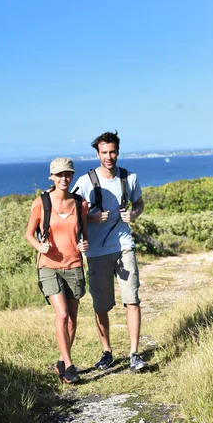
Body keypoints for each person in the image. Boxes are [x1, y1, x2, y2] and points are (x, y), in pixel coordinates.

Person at [73, 131, 149, 372]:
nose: (109, 157)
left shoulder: (130, 178)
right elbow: (70, 211)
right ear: (97, 154)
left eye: (113, 152)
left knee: (132, 300)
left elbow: (139, 204)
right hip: (96, 252)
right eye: (104, 152)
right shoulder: (85, 182)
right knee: (100, 306)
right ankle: (107, 351)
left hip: (124, 246)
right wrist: (91, 217)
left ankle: (134, 354)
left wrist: (134, 214)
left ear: (118, 151)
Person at [25, 157, 89, 384]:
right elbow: (29, 234)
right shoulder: (41, 203)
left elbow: (83, 234)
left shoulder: (80, 203)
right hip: (48, 266)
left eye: (68, 174)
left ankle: (62, 361)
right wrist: (39, 246)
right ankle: (70, 366)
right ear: (51, 177)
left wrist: (84, 244)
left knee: (72, 320)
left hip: (74, 265)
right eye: (59, 174)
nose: (64, 178)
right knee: (61, 315)